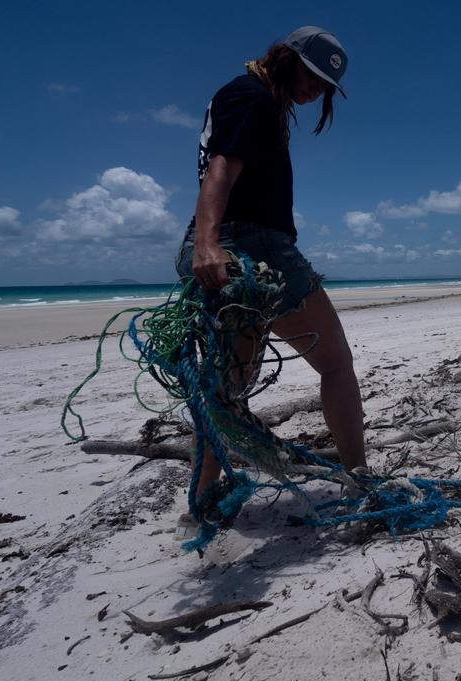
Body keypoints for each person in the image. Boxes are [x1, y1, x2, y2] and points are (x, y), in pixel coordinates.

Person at [175, 26, 367, 525]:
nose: (317, 90)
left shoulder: (246, 98)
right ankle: (360, 477)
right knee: (337, 365)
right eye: (314, 76)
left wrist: (209, 243)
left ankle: (201, 502)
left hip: (234, 249)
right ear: (287, 58)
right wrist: (207, 243)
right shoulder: (253, 97)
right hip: (254, 248)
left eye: (327, 86)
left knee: (226, 389)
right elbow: (221, 168)